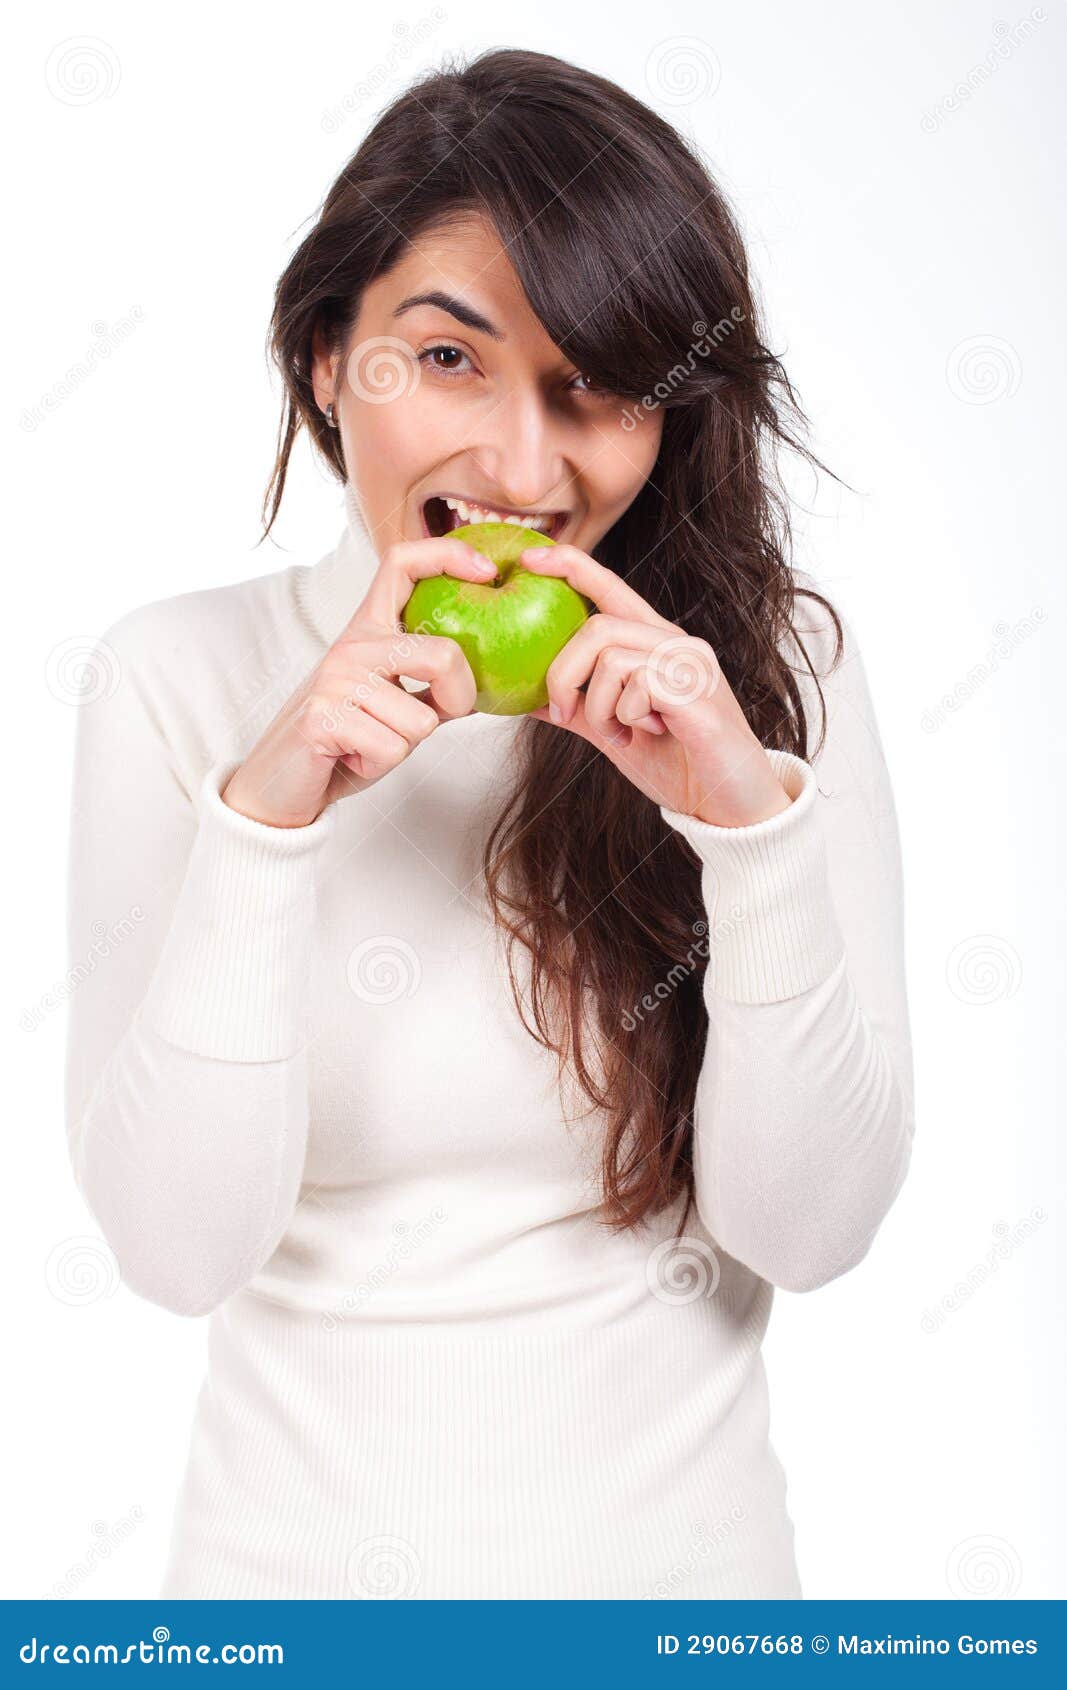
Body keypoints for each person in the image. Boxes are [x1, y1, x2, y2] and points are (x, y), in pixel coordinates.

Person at [64, 47, 914, 1599]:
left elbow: (810, 1230)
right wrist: (267, 823)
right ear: (329, 360)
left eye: (591, 385)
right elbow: (176, 1253)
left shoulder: (768, 682)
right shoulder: (175, 682)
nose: (525, 469)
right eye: (449, 360)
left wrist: (747, 827)